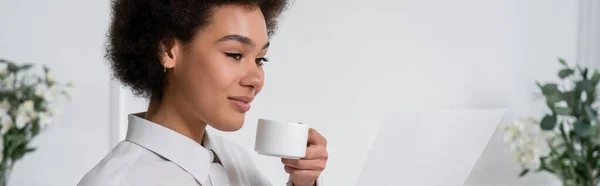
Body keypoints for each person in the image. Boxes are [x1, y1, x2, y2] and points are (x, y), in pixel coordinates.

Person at [77, 0, 328, 185]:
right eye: (235, 54)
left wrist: (303, 182)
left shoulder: (236, 162)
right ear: (168, 50)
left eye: (261, 59)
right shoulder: (118, 181)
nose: (256, 79)